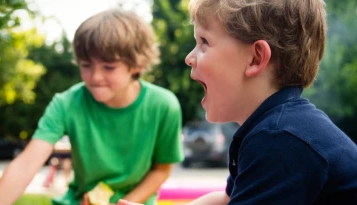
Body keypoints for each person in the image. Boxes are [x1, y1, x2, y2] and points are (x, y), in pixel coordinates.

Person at [118, 0, 357, 205]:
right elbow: (226, 199)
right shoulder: (273, 128)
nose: (189, 57)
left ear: (255, 58)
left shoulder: (280, 140)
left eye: (204, 42)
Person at [0, 8, 184, 205]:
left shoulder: (164, 105)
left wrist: (123, 203)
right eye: (86, 65)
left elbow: (161, 170)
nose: (95, 77)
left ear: (137, 65)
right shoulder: (66, 103)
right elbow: (26, 164)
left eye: (109, 67)